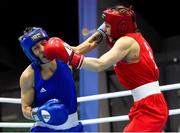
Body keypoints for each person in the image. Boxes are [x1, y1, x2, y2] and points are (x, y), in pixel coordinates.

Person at [43, 4, 169, 132]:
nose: (106, 29)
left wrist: (71, 59)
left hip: (151, 108)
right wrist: (64, 48)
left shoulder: (126, 42)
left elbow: (100, 64)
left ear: (121, 26)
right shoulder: (121, 31)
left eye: (108, 26)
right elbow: (87, 45)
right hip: (145, 105)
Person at [18, 27, 83, 132]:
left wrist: (104, 29)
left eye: (43, 43)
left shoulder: (64, 57)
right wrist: (40, 114)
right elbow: (25, 109)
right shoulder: (28, 76)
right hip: (44, 129)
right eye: (36, 48)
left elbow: (89, 45)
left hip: (74, 128)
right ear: (31, 54)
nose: (42, 49)